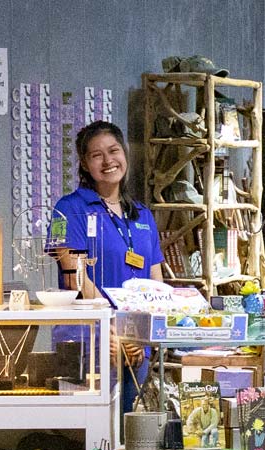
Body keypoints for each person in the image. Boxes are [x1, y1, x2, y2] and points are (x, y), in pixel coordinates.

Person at [50, 121, 164, 414]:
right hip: (90, 341)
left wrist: (141, 335)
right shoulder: (70, 208)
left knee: (132, 437)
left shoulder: (142, 215)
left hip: (136, 346)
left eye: (113, 150)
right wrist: (113, 328)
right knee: (90, 438)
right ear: (85, 165)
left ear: (124, 153)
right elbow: (75, 276)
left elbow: (156, 282)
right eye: (96, 155)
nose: (108, 160)